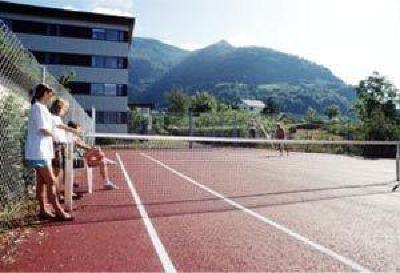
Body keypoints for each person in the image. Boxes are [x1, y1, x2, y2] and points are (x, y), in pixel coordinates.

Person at [25, 83, 73, 221]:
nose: (52, 97)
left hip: (43, 151)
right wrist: (55, 136)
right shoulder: (38, 108)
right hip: (38, 152)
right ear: (45, 94)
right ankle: (59, 211)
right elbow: (43, 129)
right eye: (50, 94)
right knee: (51, 181)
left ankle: (43, 210)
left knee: (41, 182)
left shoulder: (43, 108)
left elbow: (53, 125)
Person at [67, 121, 119, 190]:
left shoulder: (77, 137)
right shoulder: (71, 138)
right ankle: (106, 159)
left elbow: (85, 146)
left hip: (85, 159)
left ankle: (106, 183)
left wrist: (90, 148)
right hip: (79, 159)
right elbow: (83, 146)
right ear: (74, 129)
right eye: (79, 128)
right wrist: (91, 148)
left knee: (102, 161)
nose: (80, 130)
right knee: (96, 149)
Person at [49, 99, 80, 198]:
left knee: (59, 172)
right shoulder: (54, 118)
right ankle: (57, 195)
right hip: (56, 146)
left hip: (60, 146)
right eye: (65, 108)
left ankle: (59, 194)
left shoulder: (55, 117)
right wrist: (74, 130)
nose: (65, 111)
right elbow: (62, 127)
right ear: (59, 108)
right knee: (56, 173)